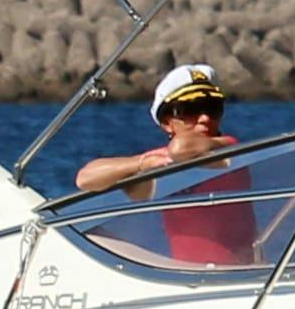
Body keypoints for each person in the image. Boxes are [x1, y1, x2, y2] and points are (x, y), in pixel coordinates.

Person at [72, 64, 257, 266]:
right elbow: (85, 178)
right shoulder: (160, 162)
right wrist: (140, 164)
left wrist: (154, 162)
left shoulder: (229, 149)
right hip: (188, 280)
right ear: (167, 123)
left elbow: (180, 149)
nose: (204, 118)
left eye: (213, 108)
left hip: (236, 277)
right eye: (192, 109)